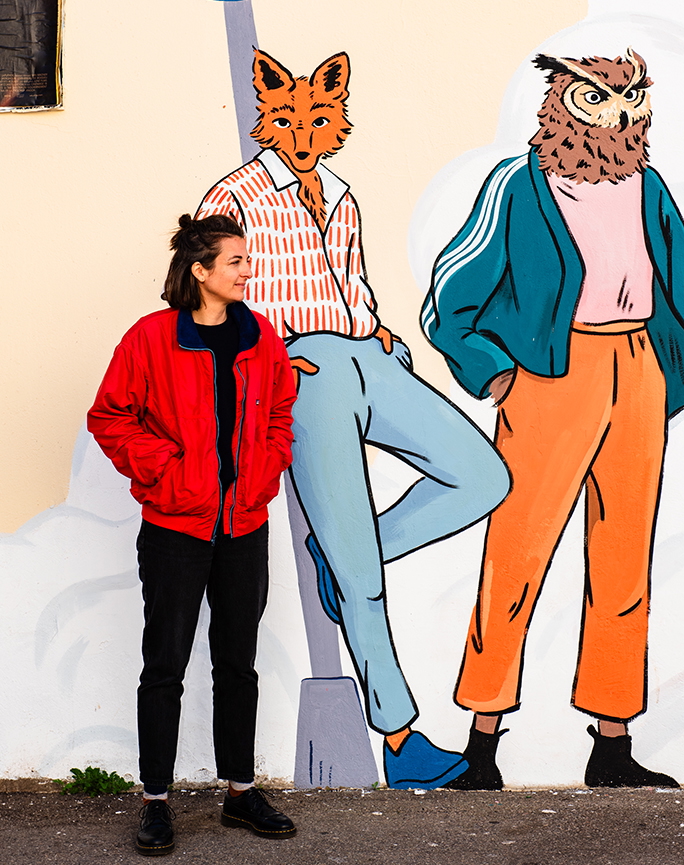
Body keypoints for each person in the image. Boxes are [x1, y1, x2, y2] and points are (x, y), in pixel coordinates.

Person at [196, 49, 510, 789]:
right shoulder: (237, 194)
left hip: (367, 354)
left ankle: (344, 561)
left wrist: (380, 334)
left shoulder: (340, 193)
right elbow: (207, 291)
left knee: (483, 476)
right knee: (360, 571)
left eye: (317, 119)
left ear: (336, 115)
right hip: (302, 371)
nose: (303, 135)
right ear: (267, 118)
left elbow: (349, 279)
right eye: (286, 120)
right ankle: (401, 740)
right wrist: (264, 359)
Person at [421, 50, 684, 789]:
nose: (616, 116)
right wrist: (494, 369)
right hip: (552, 376)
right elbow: (452, 291)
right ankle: (481, 743)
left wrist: (670, 367)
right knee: (516, 553)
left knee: (624, 561)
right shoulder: (519, 185)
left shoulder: (648, 186)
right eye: (597, 100)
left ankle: (612, 744)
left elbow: (678, 274)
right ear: (561, 104)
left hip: (635, 367)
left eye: (629, 101)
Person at [88, 214, 298, 855]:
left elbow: (281, 410)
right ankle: (155, 801)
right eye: (235, 260)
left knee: (238, 664)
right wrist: (168, 470)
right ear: (200, 271)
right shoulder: (151, 338)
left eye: (246, 259)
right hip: (175, 528)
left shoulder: (259, 336)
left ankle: (240, 792)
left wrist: (266, 468)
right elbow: (110, 416)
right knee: (165, 666)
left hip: (243, 525)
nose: (246, 270)